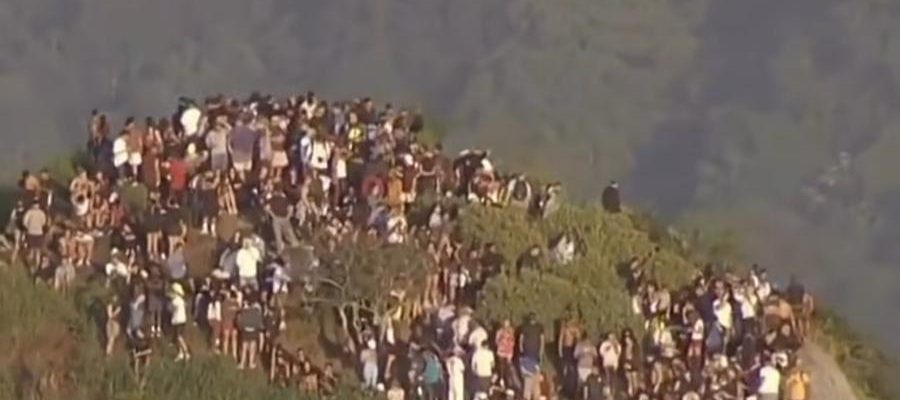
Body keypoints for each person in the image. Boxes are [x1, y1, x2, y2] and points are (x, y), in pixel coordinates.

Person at [168, 283, 191, 361]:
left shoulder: (176, 300)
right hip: (181, 320)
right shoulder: (181, 300)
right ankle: (180, 353)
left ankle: (186, 352)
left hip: (177, 320)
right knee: (177, 337)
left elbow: (170, 308)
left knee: (179, 337)